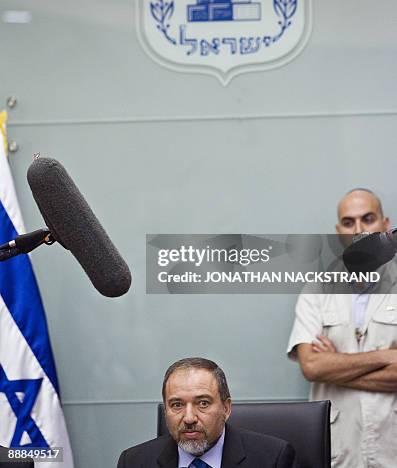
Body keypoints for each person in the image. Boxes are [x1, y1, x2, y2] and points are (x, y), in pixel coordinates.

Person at [287, 188, 397, 468]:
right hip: (339, 450)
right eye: (348, 222)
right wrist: (387, 356)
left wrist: (334, 366)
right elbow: (311, 367)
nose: (358, 229)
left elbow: (321, 369)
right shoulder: (316, 289)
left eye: (368, 218)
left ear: (385, 225)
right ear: (339, 232)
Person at [118, 357, 298, 467]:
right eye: (177, 405)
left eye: (203, 403)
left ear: (226, 409)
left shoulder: (273, 459)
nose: (189, 418)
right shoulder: (134, 462)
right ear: (166, 411)